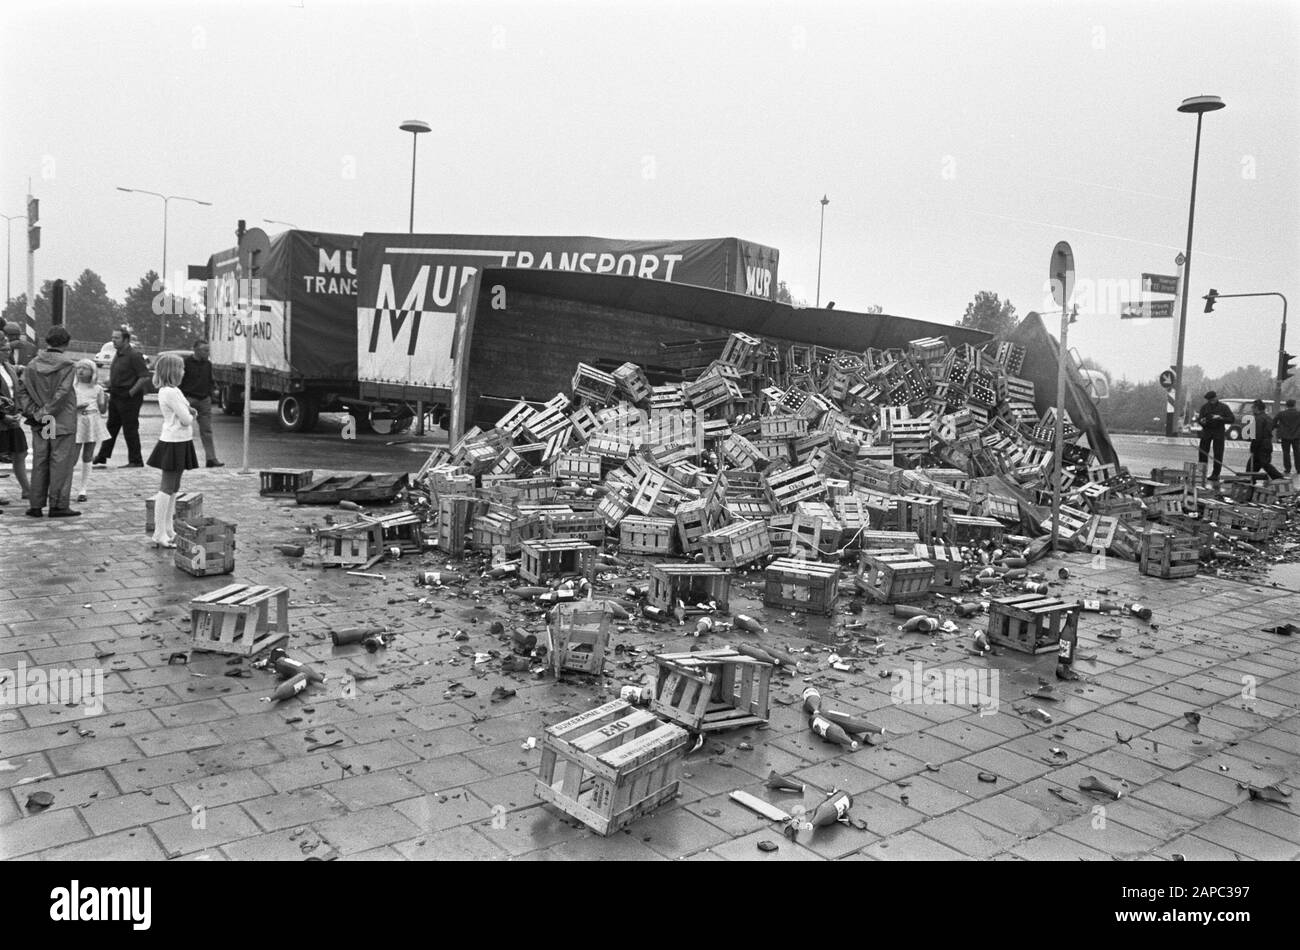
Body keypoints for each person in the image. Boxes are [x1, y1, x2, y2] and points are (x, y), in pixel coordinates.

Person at [16, 325, 79, 517]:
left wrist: (35, 413)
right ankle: (58, 504)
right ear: (66, 343)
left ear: (47, 341)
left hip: (41, 422)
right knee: (60, 462)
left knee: (41, 460)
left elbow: (22, 390)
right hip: (60, 420)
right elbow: (62, 394)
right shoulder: (68, 364)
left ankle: (36, 504)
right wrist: (45, 413)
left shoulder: (32, 365)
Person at [146, 353, 197, 548]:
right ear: (174, 371)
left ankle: (168, 528)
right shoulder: (171, 392)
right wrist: (190, 415)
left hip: (179, 440)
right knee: (167, 488)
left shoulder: (172, 391)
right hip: (174, 440)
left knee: (174, 487)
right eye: (182, 368)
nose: (184, 372)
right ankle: (159, 532)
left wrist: (188, 411)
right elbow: (185, 419)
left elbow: (185, 410)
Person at [92, 327, 150, 468]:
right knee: (111, 426)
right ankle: (102, 456)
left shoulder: (134, 355)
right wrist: (108, 383)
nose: (113, 341)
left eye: (117, 338)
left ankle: (136, 460)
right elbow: (119, 374)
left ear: (126, 340)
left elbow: (144, 377)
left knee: (130, 429)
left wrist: (131, 392)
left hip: (129, 397)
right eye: (112, 338)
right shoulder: (118, 354)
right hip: (116, 394)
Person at [0, 334, 33, 508]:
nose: (8, 352)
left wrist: (19, 411)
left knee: (20, 452)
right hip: (2, 418)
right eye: (4, 349)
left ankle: (27, 489)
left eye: (8, 349)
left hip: (12, 418)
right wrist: (3, 416)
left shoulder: (7, 367)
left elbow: (16, 390)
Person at [72, 358, 109, 503]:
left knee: (88, 456)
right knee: (73, 456)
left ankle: (83, 488)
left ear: (92, 372)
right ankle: (66, 486)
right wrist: (77, 407)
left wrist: (105, 401)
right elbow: (68, 406)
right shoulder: (73, 386)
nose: (80, 371)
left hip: (92, 420)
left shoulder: (97, 388)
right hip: (77, 421)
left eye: (84, 368)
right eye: (79, 368)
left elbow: (102, 410)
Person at [180, 339, 222, 467]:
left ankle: (211, 458)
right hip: (189, 399)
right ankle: (181, 459)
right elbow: (179, 381)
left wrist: (212, 392)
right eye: (205, 350)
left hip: (204, 400)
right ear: (196, 350)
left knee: (207, 430)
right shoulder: (185, 363)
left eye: (208, 350)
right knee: (183, 429)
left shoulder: (208, 364)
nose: (207, 353)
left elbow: (210, 380)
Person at [1196, 391, 1234, 482]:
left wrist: (1221, 418)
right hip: (1207, 431)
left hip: (1218, 431)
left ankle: (1215, 474)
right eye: (1209, 400)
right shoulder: (1204, 407)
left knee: (1218, 453)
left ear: (1216, 397)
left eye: (1212, 399)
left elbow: (1232, 419)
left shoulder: (1224, 407)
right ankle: (1201, 473)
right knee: (1203, 452)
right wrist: (1202, 421)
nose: (1211, 401)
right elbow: (1200, 419)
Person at [1246, 398, 1285, 480]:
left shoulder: (1258, 419)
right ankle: (1249, 480)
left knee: (1264, 464)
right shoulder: (1267, 417)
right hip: (1267, 444)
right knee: (1253, 465)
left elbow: (1257, 435)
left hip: (1260, 445)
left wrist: (1253, 447)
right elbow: (1272, 427)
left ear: (1256, 408)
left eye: (1253, 408)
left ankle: (1279, 477)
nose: (1252, 410)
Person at [1274, 398, 1300, 476]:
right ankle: (1299, 469)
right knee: (1297, 453)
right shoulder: (1299, 414)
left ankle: (1287, 469)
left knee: (1286, 453)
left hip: (1285, 436)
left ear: (1286, 405)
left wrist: (1279, 427)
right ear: (1294, 405)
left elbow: (1273, 422)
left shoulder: (1281, 414)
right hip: (1297, 436)